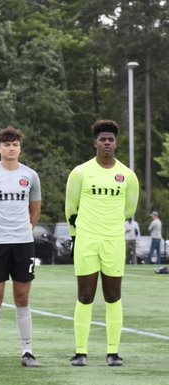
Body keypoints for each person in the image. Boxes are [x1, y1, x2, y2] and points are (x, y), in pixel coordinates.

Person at [65, 120, 139, 367]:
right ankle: (80, 352)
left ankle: (113, 352)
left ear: (116, 144)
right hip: (86, 239)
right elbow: (71, 208)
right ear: (95, 143)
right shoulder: (80, 172)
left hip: (114, 241)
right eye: (102, 139)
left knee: (113, 295)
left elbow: (129, 209)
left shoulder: (127, 176)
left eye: (111, 139)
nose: (107, 143)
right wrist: (77, 234)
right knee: (85, 296)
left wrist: (110, 227)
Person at [0, 126, 42, 368]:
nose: (11, 148)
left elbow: (35, 208)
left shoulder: (30, 176)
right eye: (6, 144)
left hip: (23, 244)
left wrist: (27, 229)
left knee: (22, 297)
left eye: (15, 144)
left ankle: (27, 351)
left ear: (19, 147)